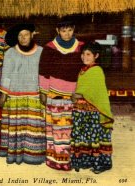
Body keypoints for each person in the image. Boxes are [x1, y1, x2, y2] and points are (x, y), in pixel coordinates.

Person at [39, 18, 84, 171]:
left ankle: (69, 160)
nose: (67, 33)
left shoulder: (81, 47)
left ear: (74, 29)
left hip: (72, 95)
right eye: (63, 30)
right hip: (54, 95)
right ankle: (55, 160)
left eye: (70, 30)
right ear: (58, 31)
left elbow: (85, 71)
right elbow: (43, 72)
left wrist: (80, 92)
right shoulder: (50, 47)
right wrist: (43, 92)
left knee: (69, 128)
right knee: (55, 129)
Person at [0, 24, 46, 165]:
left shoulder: (42, 52)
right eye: (20, 35)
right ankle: (15, 154)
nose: (23, 38)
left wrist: (43, 92)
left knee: (33, 127)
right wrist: (4, 95)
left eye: (26, 34)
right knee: (16, 126)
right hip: (14, 96)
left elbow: (44, 74)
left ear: (32, 34)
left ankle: (33, 155)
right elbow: (6, 74)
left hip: (34, 96)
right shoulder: (10, 53)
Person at [71, 42, 114, 174]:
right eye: (83, 54)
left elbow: (93, 91)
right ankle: (83, 161)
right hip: (80, 109)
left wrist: (78, 94)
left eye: (88, 54)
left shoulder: (97, 70)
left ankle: (100, 163)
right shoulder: (83, 70)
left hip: (93, 111)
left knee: (93, 136)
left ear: (96, 55)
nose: (85, 57)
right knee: (82, 135)